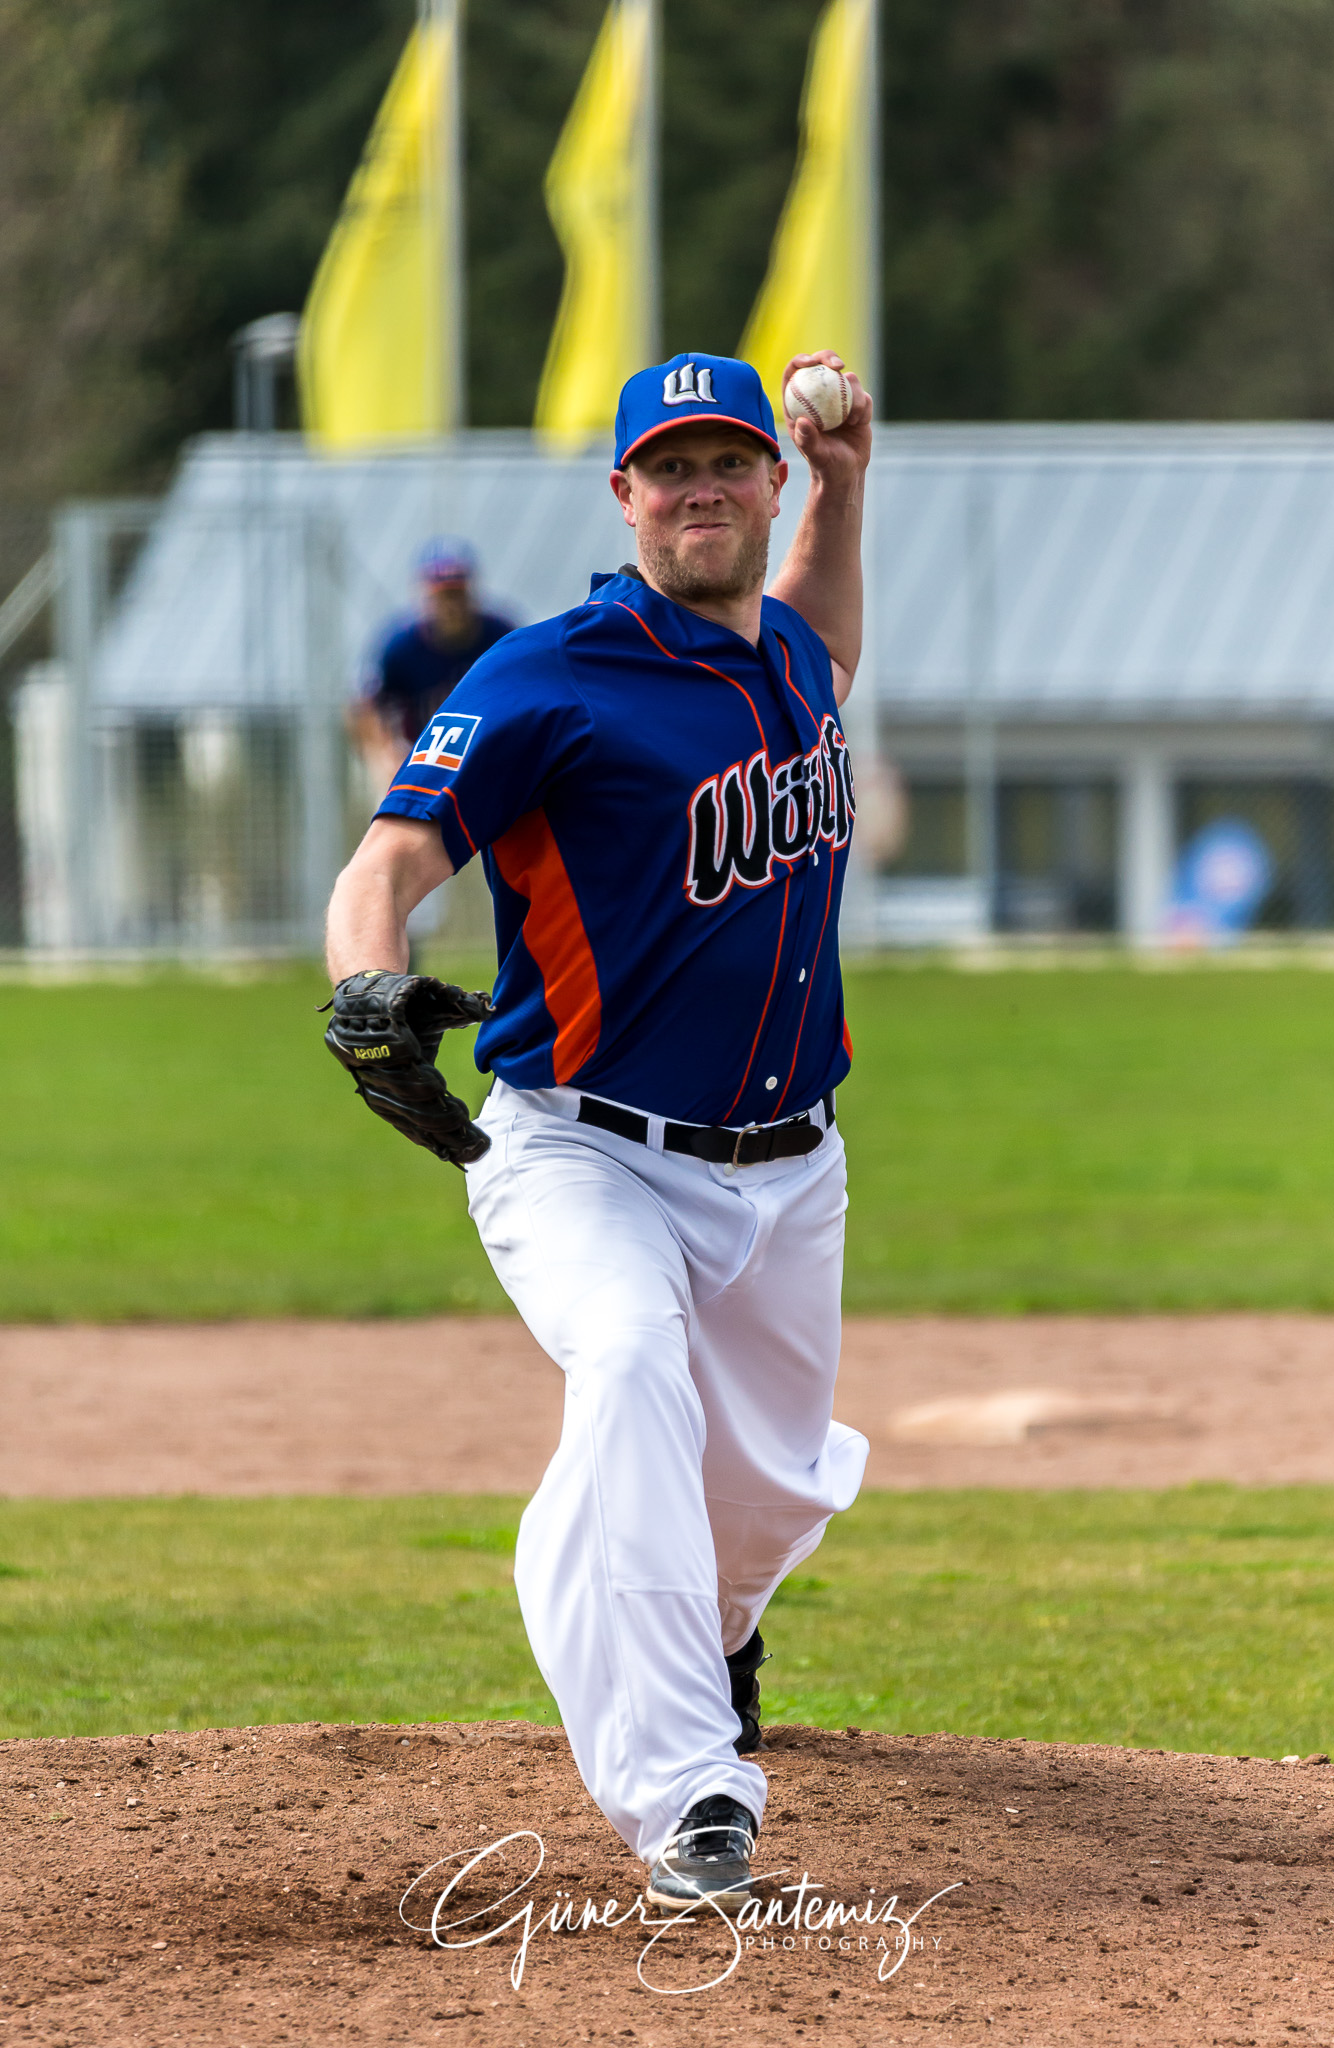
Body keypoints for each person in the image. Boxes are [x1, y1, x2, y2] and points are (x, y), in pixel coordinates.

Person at [324, 349, 872, 1913]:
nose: (701, 487)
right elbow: (392, 857)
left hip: (793, 1161)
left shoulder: (781, 655)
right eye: (668, 467)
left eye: (731, 462)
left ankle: (714, 1626)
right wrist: (367, 985)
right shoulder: (548, 674)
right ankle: (688, 1793)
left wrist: (852, 484)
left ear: (768, 483)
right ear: (623, 495)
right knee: (628, 1367)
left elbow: (827, 637)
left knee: (764, 1500)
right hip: (585, 1147)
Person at [347, 538, 515, 792]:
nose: (451, 604)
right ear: (425, 594)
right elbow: (363, 707)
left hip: (488, 761)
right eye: (442, 594)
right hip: (421, 767)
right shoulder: (401, 645)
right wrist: (383, 756)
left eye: (457, 592)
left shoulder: (500, 636)